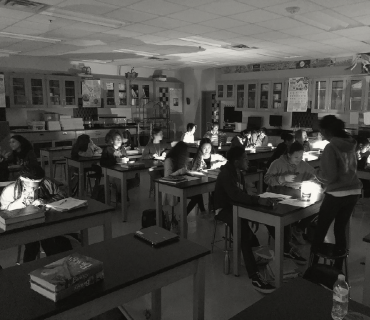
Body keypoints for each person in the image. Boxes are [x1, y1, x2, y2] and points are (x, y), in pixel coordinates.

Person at [214, 146, 276, 293]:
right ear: (236, 161)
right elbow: (236, 195)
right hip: (223, 209)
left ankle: (255, 258)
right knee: (241, 229)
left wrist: (251, 211)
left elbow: (242, 195)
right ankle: (254, 276)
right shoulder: (225, 174)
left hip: (235, 207)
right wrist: (256, 201)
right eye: (245, 158)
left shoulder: (238, 173)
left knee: (248, 232)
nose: (248, 161)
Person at [311, 115, 362, 270]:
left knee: (321, 229)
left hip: (337, 194)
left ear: (326, 131)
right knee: (340, 228)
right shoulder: (351, 144)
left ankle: (312, 267)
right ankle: (338, 268)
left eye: (321, 131)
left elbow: (330, 176)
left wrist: (317, 174)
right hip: (353, 191)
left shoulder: (331, 147)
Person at [0, 165, 74, 262]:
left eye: (39, 184)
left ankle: (53, 264)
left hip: (44, 221)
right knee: (32, 244)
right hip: (22, 225)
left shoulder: (46, 183)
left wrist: (45, 201)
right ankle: (29, 266)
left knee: (51, 240)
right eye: (33, 186)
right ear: (24, 182)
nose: (38, 187)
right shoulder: (10, 191)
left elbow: (62, 195)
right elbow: (5, 212)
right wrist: (21, 201)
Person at [265, 142, 319, 250]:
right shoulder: (277, 163)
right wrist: (283, 179)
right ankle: (286, 242)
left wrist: (312, 180)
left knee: (316, 208)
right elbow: (266, 179)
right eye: (296, 157)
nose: (299, 159)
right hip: (278, 196)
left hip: (294, 196)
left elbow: (314, 174)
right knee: (286, 215)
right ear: (289, 155)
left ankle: (298, 229)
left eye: (301, 156)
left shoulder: (302, 164)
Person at [163, 141, 206, 217]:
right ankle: (185, 215)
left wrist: (188, 172)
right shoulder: (169, 160)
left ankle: (202, 212)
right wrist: (181, 171)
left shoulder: (180, 159)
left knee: (198, 193)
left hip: (181, 184)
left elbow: (183, 171)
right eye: (185, 152)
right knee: (197, 196)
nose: (186, 154)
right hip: (172, 188)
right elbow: (168, 177)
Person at [100, 129, 138, 201]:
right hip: (111, 173)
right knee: (120, 181)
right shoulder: (107, 149)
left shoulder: (122, 149)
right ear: (112, 140)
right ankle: (121, 197)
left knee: (135, 180)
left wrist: (126, 160)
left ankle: (120, 193)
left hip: (123, 171)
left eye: (120, 139)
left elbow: (125, 158)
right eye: (117, 139)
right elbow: (103, 162)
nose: (119, 140)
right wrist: (115, 160)